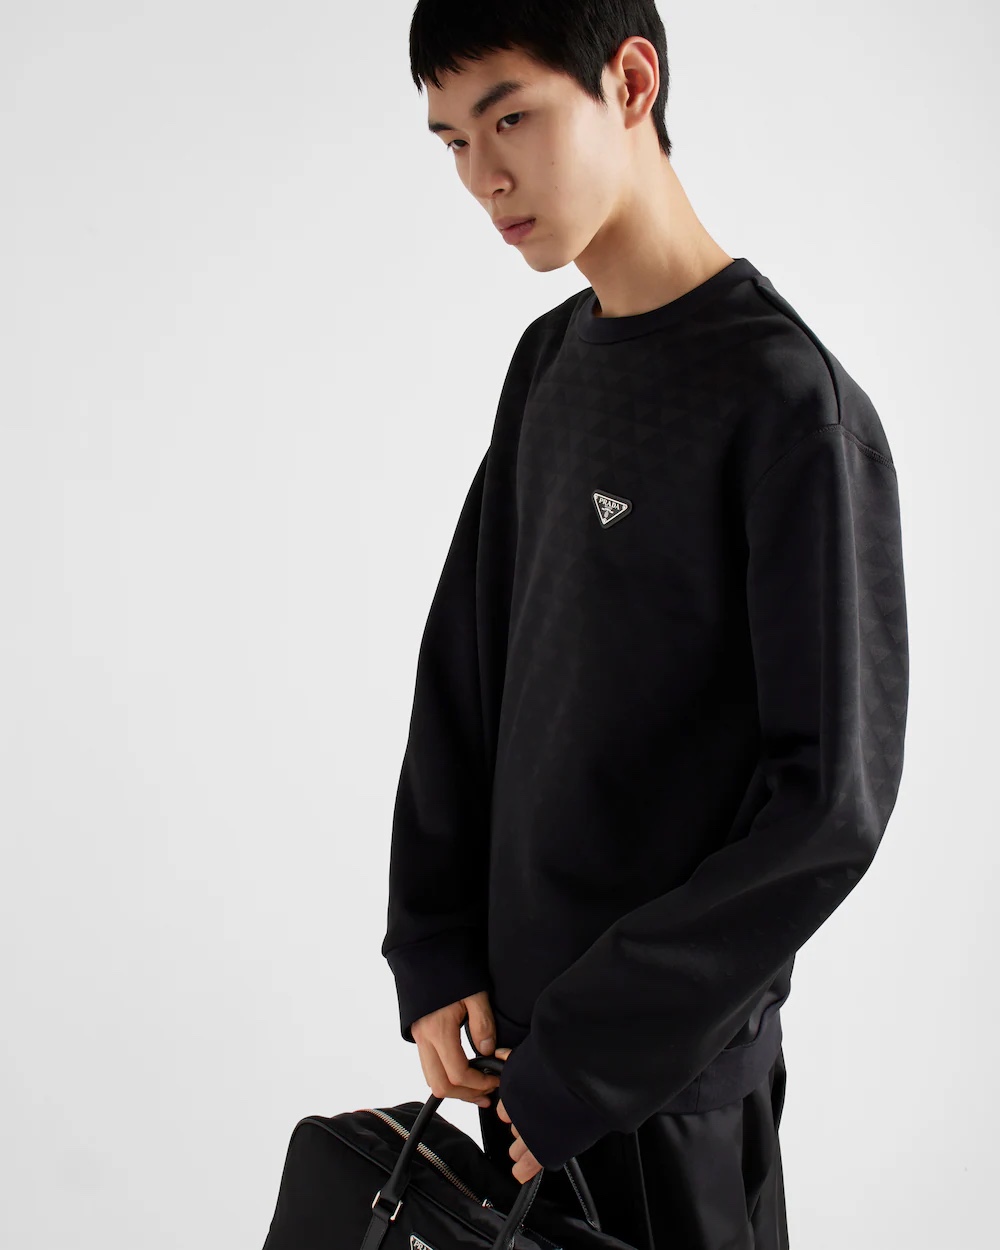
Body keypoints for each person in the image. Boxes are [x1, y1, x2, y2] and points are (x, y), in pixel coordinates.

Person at [380, 3, 909, 1247]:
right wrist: (434, 940)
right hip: (517, 1061)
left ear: (629, 81)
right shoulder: (548, 363)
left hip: (659, 1088)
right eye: (451, 141)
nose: (482, 176)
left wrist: (596, 1053)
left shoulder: (787, 405)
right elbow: (466, 663)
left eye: (511, 117)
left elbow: (826, 804)